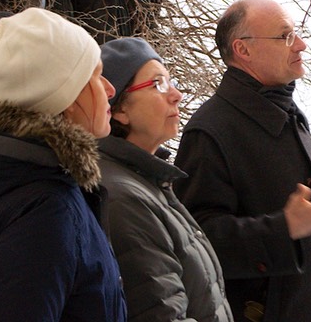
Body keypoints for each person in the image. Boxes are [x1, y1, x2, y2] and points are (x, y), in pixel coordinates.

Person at [174, 0, 311, 322]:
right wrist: (283, 228)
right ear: (243, 50)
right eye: (285, 36)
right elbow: (199, 240)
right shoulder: (209, 131)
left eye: (296, 33)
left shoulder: (285, 109)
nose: (300, 45)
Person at [0, 7, 126, 322]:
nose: (111, 89)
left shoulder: (8, 173)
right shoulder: (47, 209)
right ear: (66, 95)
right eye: (96, 75)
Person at [99, 37, 234, 322]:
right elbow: (161, 313)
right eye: (158, 84)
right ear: (120, 109)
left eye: (171, 82)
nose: (176, 95)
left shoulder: (151, 183)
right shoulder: (124, 198)